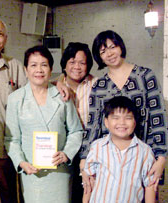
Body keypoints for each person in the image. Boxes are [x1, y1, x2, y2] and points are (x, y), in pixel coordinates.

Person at [0, 17, 68, 203]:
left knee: (7, 197)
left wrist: (57, 84)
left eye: (0, 33)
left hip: (6, 150)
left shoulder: (15, 65)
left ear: (6, 39)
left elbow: (34, 88)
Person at [80, 30, 167, 194]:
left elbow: (158, 117)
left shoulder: (145, 76)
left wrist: (161, 157)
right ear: (99, 57)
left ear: (121, 46)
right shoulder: (99, 86)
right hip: (109, 159)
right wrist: (84, 159)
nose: (109, 53)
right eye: (103, 51)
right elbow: (93, 125)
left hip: (143, 155)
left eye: (112, 47)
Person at [5, 45, 84, 203]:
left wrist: (66, 153)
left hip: (60, 172)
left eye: (44, 65)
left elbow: (76, 131)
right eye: (33, 65)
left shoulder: (62, 96)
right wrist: (21, 163)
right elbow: (11, 139)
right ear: (26, 70)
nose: (39, 70)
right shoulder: (15, 99)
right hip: (32, 172)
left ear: (51, 69)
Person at [83, 96, 155, 203]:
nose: (122, 122)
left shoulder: (145, 151)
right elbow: (89, 182)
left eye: (128, 118)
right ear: (106, 122)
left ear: (135, 122)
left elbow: (150, 186)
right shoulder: (97, 147)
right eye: (116, 118)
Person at [57, 42, 97, 203]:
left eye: (82, 62)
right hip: (64, 147)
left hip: (90, 147)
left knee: (87, 190)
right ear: (64, 65)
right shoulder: (54, 87)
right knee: (66, 190)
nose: (77, 67)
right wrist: (57, 82)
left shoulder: (96, 85)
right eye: (72, 62)